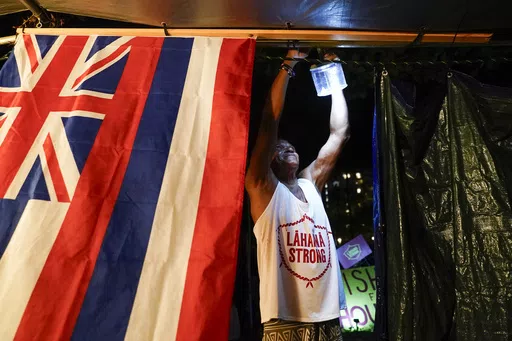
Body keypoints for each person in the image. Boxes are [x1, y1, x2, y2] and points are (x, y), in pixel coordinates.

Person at [245, 49, 350, 341]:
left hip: (327, 317)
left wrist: (333, 74)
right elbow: (270, 120)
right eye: (279, 148)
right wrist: (289, 63)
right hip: (285, 319)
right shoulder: (263, 188)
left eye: (290, 145)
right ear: (268, 160)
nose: (287, 148)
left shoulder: (309, 184)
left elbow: (340, 133)